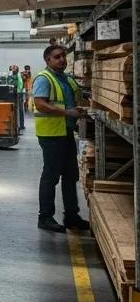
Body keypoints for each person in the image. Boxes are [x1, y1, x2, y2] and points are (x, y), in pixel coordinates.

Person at [33, 44, 89, 233]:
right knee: (51, 176)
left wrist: (80, 109)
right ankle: (45, 217)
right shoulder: (44, 78)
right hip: (51, 134)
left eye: (63, 56)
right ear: (47, 60)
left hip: (65, 133)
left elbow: (76, 99)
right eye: (57, 57)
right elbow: (40, 104)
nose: (62, 59)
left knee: (71, 175)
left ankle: (71, 216)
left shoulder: (67, 80)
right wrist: (66, 112)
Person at [11, 64, 25, 133]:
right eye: (12, 68)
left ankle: (21, 125)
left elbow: (20, 84)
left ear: (17, 69)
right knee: (16, 109)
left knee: (20, 109)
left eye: (14, 68)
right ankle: (16, 124)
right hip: (15, 93)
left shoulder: (18, 75)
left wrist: (19, 92)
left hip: (18, 93)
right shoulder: (12, 75)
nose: (13, 69)